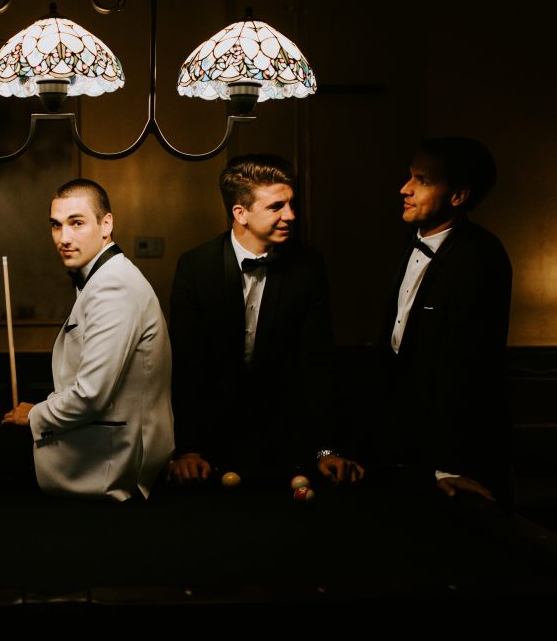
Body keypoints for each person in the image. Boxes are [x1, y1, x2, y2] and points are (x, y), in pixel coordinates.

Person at [168, 154, 363, 486]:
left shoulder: (309, 268)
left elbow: (316, 365)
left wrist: (324, 451)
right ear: (240, 213)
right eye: (276, 207)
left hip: (288, 444)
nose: (290, 215)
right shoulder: (195, 267)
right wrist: (188, 450)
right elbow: (187, 366)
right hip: (210, 448)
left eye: (290, 204)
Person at [1, 179, 175, 501]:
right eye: (56, 225)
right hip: (103, 461)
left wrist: (34, 414)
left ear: (106, 224)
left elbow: (92, 394)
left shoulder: (113, 286)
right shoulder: (103, 278)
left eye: (76, 223)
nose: (63, 238)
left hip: (112, 473)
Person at [379, 136, 512, 501]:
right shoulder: (411, 241)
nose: (404, 189)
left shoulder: (482, 257)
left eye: (422, 180)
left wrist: (448, 466)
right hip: (403, 450)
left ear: (458, 196)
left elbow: (468, 368)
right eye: (410, 176)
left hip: (455, 461)